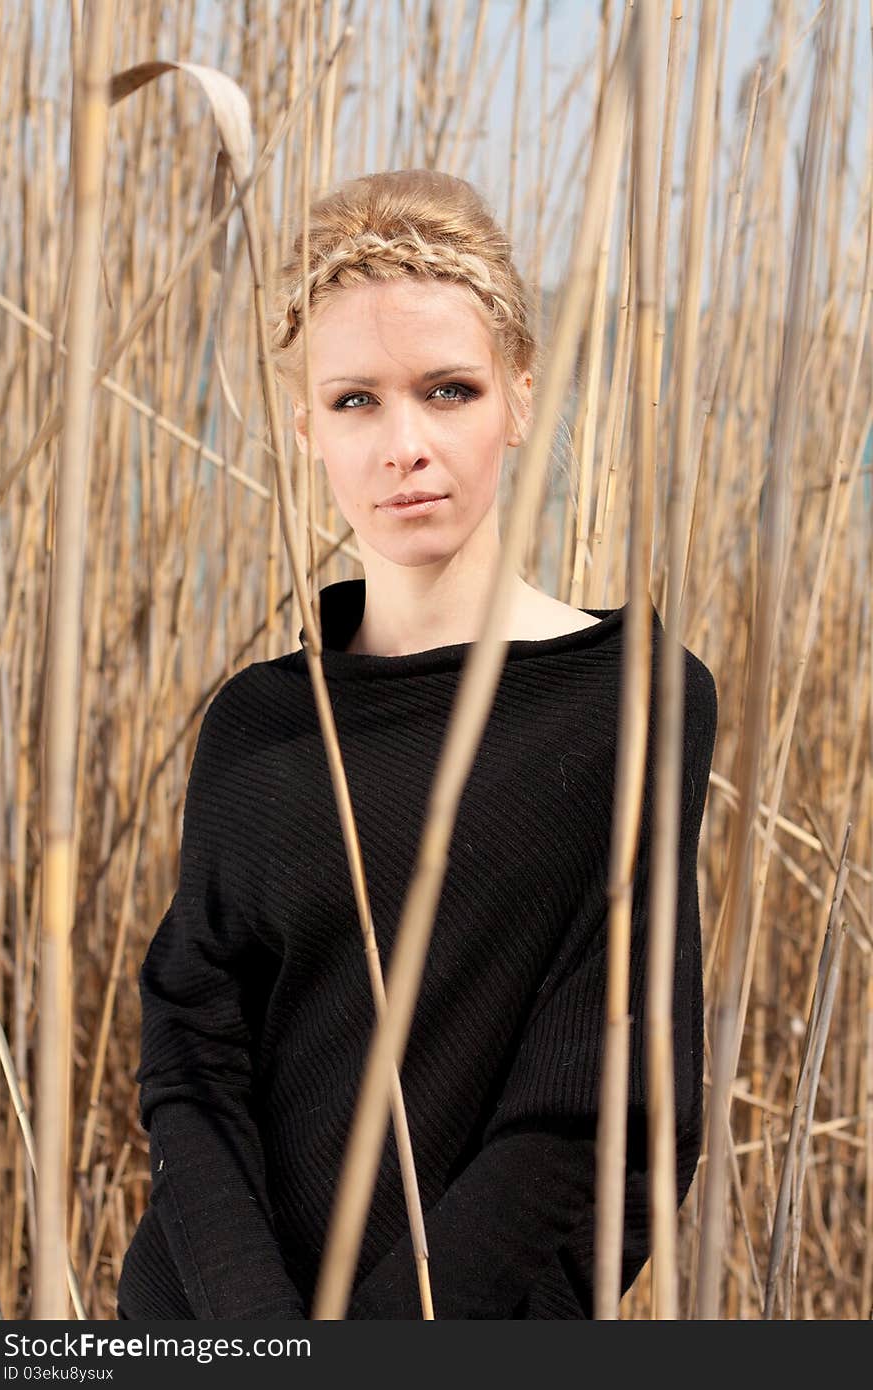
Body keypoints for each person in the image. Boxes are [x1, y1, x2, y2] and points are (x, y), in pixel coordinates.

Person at [116, 168, 718, 1320]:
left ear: (521, 398)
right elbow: (192, 1061)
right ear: (304, 427)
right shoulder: (258, 722)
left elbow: (598, 1102)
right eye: (355, 401)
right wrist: (257, 1334)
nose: (405, 445)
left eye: (449, 391)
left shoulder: (632, 700)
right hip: (203, 1321)